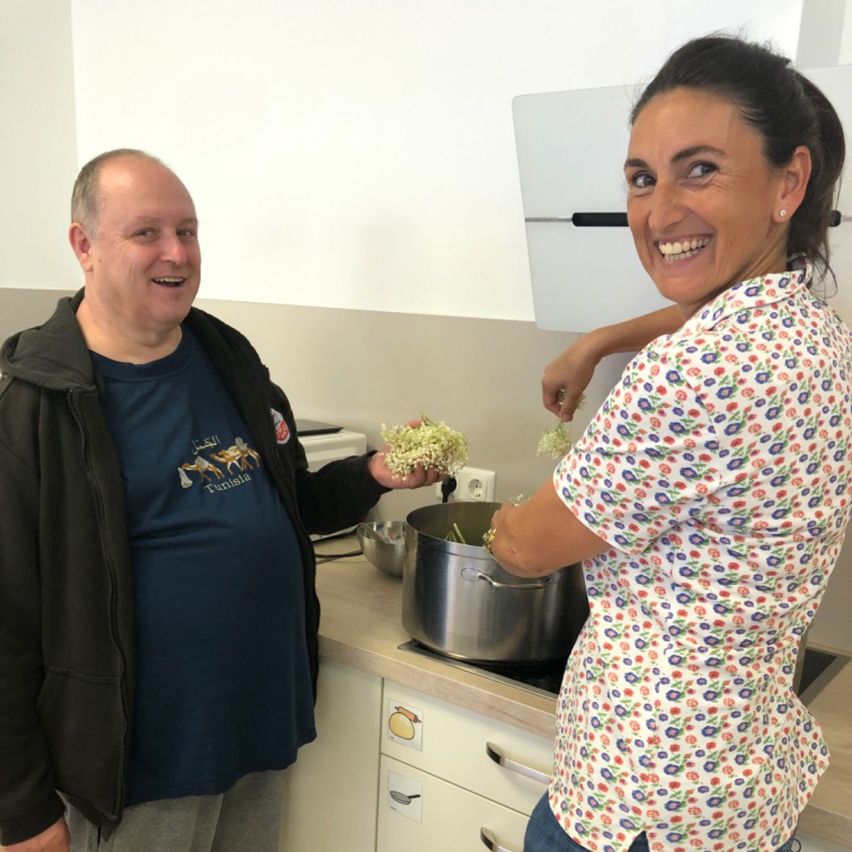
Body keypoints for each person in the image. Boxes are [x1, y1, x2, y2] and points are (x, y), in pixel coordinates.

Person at [0, 149, 439, 852]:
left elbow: (291, 501)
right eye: (147, 232)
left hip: (254, 729)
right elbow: (7, 620)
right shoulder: (34, 403)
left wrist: (377, 473)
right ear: (84, 245)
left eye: (188, 230)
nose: (176, 253)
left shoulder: (228, 358)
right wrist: (19, 810)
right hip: (135, 768)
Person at [488, 35, 851, 852]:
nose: (658, 212)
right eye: (642, 178)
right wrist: (599, 340)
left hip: (638, 800)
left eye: (701, 169)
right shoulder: (808, 330)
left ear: (789, 182)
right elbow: (712, 314)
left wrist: (505, 522)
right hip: (740, 788)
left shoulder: (687, 378)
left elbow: (528, 547)